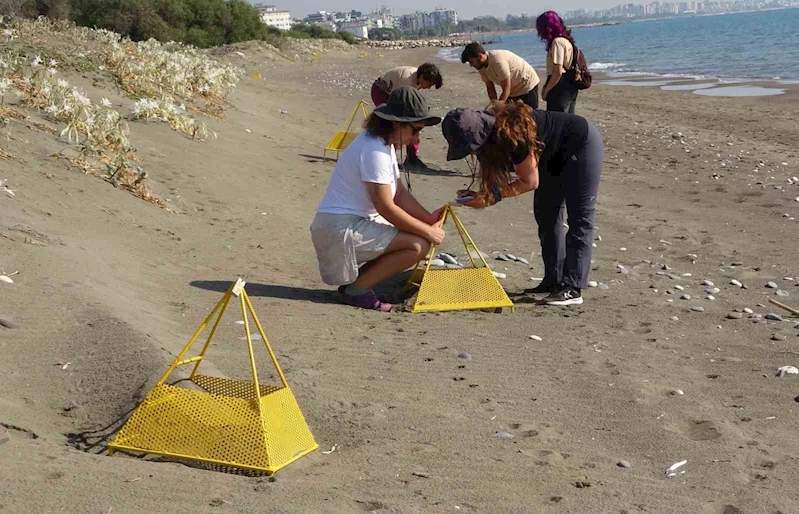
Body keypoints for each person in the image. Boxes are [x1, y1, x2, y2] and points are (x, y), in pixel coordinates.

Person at [441, 102, 603, 306]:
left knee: (580, 216)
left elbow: (530, 182)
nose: (472, 152)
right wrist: (480, 194)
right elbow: (500, 182)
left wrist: (492, 197)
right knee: (546, 213)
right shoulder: (492, 139)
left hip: (581, 143)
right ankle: (553, 280)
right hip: (551, 156)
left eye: (471, 147)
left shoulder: (512, 134)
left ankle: (572, 287)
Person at [311, 86, 446, 312]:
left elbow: (399, 193)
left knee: (417, 235)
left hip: (344, 224)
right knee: (417, 245)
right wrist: (427, 231)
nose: (417, 137)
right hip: (338, 231)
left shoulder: (384, 144)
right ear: (397, 123)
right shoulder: (374, 151)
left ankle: (355, 286)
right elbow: (385, 207)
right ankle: (356, 291)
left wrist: (427, 218)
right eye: (415, 129)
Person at [370, 63, 443, 169]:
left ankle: (411, 156)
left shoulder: (416, 79)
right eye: (429, 84)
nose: (428, 87)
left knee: (411, 124)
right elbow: (403, 105)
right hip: (381, 91)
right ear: (422, 77)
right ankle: (389, 156)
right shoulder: (407, 80)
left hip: (395, 93)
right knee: (394, 125)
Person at [460, 43, 541, 109]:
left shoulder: (497, 60)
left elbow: (506, 88)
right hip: (513, 91)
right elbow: (490, 87)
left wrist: (498, 108)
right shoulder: (481, 67)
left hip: (527, 85)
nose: (471, 65)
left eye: (471, 62)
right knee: (510, 119)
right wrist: (493, 105)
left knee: (529, 119)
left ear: (480, 56)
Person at [537, 11, 579, 113]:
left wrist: (547, 90)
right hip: (570, 83)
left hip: (560, 86)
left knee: (556, 121)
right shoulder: (566, 40)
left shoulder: (557, 42)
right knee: (568, 120)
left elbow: (558, 71)